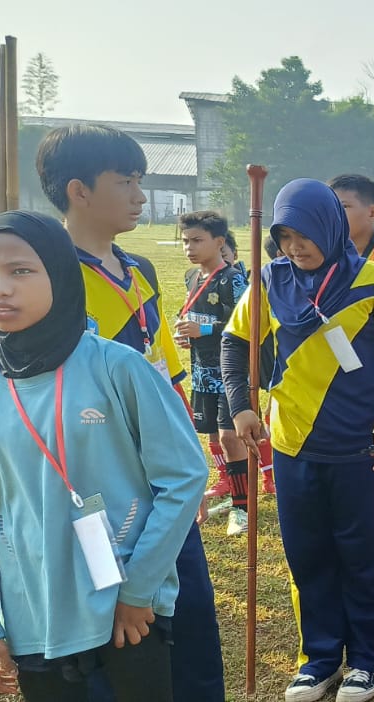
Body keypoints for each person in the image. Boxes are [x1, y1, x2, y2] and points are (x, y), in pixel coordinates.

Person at [0, 211, 204, 702]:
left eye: (21, 270)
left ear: (58, 273)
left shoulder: (117, 367)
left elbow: (183, 477)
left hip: (124, 603)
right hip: (34, 609)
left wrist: (139, 589)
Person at [34, 124, 224, 702]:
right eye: (126, 181)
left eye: (140, 181)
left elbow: (162, 369)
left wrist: (183, 455)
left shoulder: (138, 269)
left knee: (189, 619)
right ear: (79, 190)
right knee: (113, 628)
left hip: (162, 479)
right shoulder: (42, 274)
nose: (141, 195)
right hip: (95, 485)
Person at [223, 178, 374, 702]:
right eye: (284, 236)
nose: (295, 246)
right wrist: (240, 405)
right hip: (292, 446)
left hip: (362, 450)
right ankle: (320, 660)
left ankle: (367, 660)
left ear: (329, 225)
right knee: (308, 557)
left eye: (303, 234)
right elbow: (237, 343)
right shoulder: (268, 281)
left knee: (362, 557)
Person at [174, 211, 252, 536]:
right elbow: (192, 314)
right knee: (213, 437)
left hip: (231, 371)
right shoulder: (192, 276)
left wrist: (203, 329)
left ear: (219, 242)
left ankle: (242, 508)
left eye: (197, 240)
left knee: (230, 436)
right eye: (185, 241)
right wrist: (185, 333)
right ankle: (231, 489)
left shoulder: (232, 279)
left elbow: (246, 326)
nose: (189, 248)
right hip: (202, 371)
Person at [330, 174, 374, 266]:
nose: (333, 213)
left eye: (344, 206)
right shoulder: (321, 254)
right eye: (329, 207)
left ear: (372, 212)